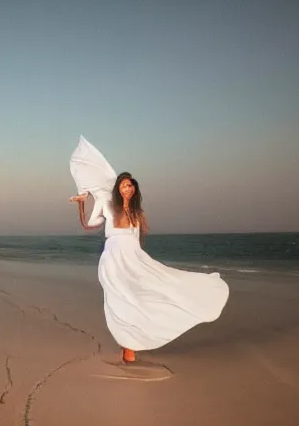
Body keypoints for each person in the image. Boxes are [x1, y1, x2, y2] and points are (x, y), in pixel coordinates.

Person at [69, 136, 229, 364]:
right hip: (113, 258)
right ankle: (128, 346)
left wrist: (143, 263)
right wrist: (82, 203)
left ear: (134, 189)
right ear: (117, 188)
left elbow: (137, 241)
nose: (128, 187)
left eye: (131, 184)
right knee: (120, 300)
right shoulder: (106, 203)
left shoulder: (138, 214)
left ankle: (133, 342)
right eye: (124, 184)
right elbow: (89, 225)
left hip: (133, 258)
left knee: (141, 295)